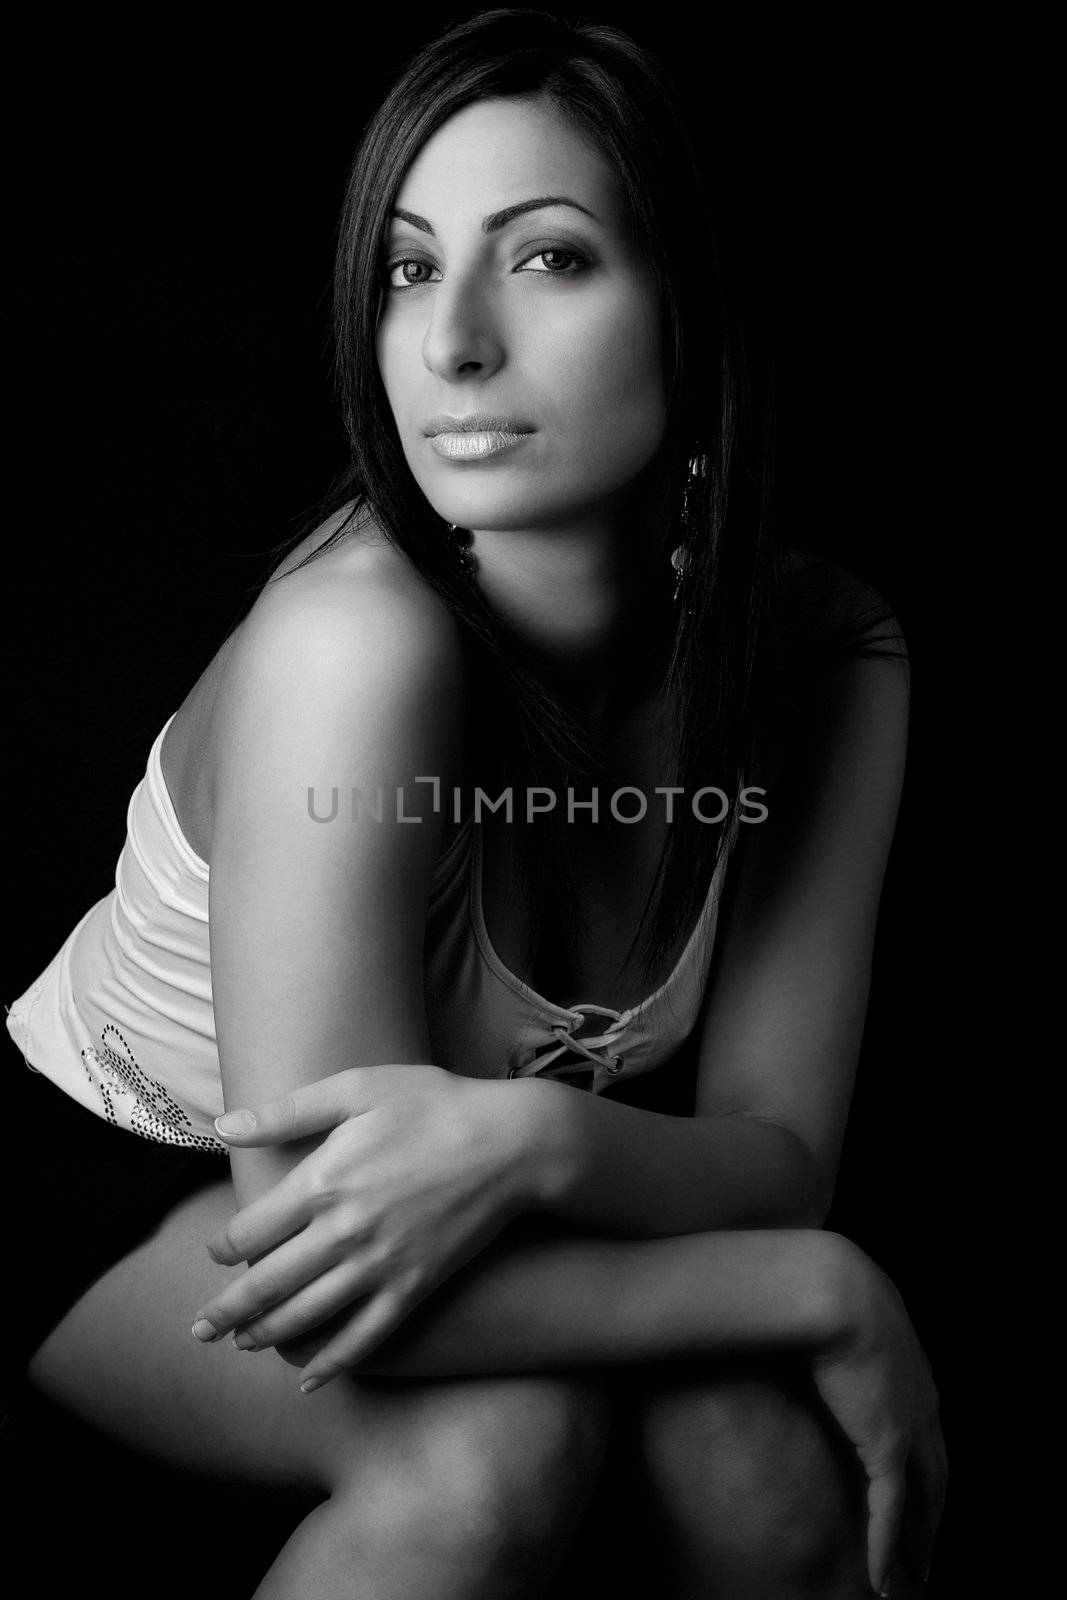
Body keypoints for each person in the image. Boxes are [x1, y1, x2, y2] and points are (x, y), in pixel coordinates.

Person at [5, 9, 945, 1598]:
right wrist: (827, 1292)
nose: (452, 347)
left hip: (475, 1195)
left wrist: (531, 1140)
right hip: (152, 1178)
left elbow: (780, 1150)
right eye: (412, 268)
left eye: (551, 259)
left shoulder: (831, 656)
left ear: (692, 309)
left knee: (769, 1484)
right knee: (492, 1452)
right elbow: (316, 1260)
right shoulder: (350, 642)